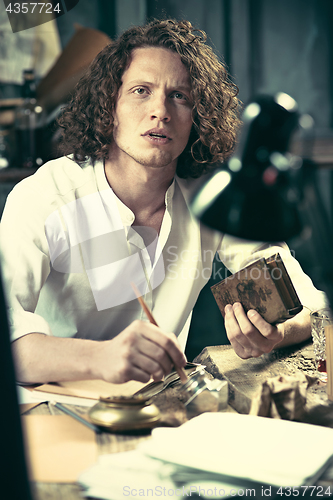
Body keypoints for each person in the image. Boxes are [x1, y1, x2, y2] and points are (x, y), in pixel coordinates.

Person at [0, 19, 327, 386]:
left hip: (166, 409)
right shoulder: (45, 196)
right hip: (59, 411)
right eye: (141, 90)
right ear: (110, 105)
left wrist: (277, 333)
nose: (161, 111)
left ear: (197, 118)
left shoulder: (211, 196)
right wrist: (101, 357)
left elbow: (310, 306)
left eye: (180, 96)